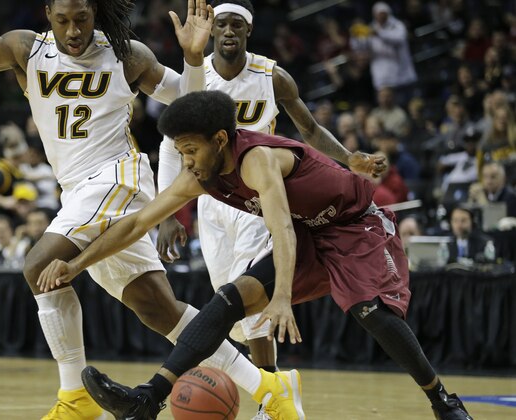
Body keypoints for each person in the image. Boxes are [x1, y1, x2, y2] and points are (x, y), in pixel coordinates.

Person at [38, 91, 473, 420]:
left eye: (190, 150)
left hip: (354, 224)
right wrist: (75, 264)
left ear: (220, 139)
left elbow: (280, 226)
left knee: (368, 310)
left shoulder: (257, 160)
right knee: (229, 299)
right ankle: (149, 397)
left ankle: (441, 399)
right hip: (309, 231)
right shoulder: (201, 175)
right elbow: (135, 225)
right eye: (181, 151)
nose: (186, 161)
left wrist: (281, 296)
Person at [0, 1, 271, 420]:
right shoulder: (26, 51)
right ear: (47, 14)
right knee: (157, 307)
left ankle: (74, 397)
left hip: (117, 177)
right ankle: (271, 387)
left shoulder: (125, 54)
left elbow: (192, 103)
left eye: (82, 19)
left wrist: (191, 57)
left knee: (40, 264)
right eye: (63, 21)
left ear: (95, 14)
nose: (73, 30)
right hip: (76, 191)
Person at [156, 1, 387, 407]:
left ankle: (272, 399)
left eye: (236, 25)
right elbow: (171, 147)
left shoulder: (272, 76)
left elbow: (310, 129)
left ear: (248, 30)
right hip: (212, 200)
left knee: (246, 299)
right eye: (221, 25)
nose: (228, 31)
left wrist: (347, 157)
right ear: (212, 31)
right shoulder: (196, 77)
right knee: (233, 311)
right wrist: (171, 213)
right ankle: (273, 392)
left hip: (260, 198)